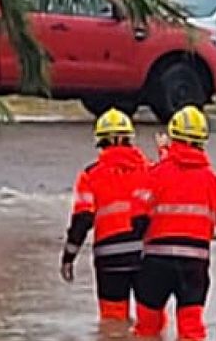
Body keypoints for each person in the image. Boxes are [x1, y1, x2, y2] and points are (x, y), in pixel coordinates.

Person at [130, 106, 216, 341]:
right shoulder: (212, 180)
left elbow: (136, 215)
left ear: (172, 137)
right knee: (191, 332)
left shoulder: (156, 173)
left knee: (147, 330)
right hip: (194, 264)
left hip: (156, 263)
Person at [61, 109, 153, 322]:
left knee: (113, 325)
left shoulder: (90, 175)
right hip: (146, 255)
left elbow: (82, 220)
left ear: (101, 141)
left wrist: (69, 256)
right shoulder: (149, 170)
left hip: (110, 258)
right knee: (149, 323)